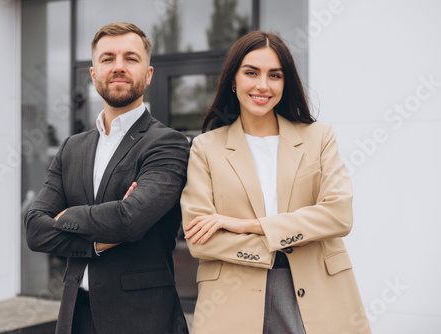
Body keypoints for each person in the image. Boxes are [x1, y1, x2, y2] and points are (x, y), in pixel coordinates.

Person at [180, 31, 371, 334]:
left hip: (317, 291)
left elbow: (338, 215)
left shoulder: (318, 137)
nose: (263, 85)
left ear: (286, 82)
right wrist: (282, 243)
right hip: (232, 297)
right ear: (233, 79)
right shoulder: (205, 147)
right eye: (251, 72)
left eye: (275, 75)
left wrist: (249, 225)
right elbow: (200, 237)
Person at [24, 22, 189, 334]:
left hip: (142, 319)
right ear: (93, 73)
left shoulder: (168, 143)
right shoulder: (72, 147)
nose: (118, 67)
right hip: (75, 315)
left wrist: (65, 217)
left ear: (149, 73)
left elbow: (129, 220)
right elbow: (34, 229)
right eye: (108, 58)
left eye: (130, 58)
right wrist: (101, 240)